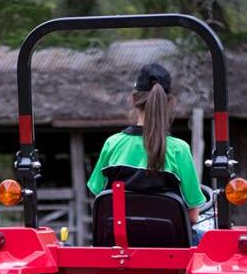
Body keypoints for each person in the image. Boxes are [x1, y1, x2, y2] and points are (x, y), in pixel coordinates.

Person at [87, 63, 204, 223]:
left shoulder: (112, 144)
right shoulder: (179, 149)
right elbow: (193, 216)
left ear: (134, 99)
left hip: (119, 242)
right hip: (168, 243)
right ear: (168, 102)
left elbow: (100, 198)